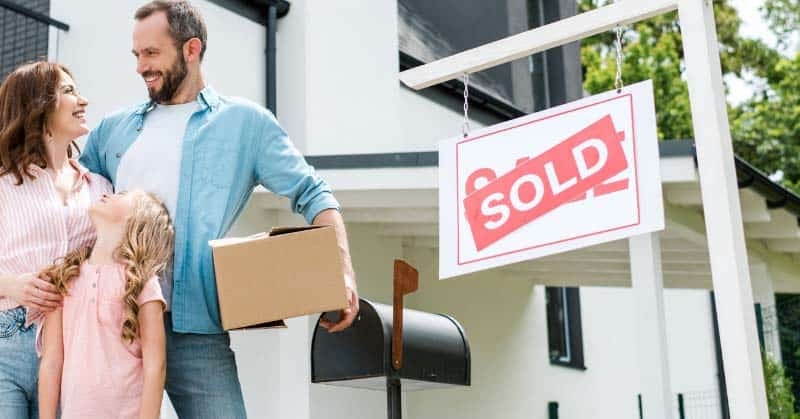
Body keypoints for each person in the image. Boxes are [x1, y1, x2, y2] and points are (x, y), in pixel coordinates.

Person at [80, 1, 360, 416]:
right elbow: (73, 205)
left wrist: (341, 269)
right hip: (112, 322)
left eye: (152, 53)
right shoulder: (112, 130)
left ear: (191, 49)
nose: (141, 67)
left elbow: (313, 192)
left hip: (194, 330)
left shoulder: (245, 124)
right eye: (137, 55)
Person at [0, 61, 112, 419]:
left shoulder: (100, 188)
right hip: (7, 342)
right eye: (68, 91)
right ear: (38, 104)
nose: (84, 100)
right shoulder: (3, 183)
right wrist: (11, 284)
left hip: (77, 351)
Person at [38, 190, 174, 419]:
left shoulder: (143, 284)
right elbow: (51, 362)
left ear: (137, 221)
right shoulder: (63, 277)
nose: (107, 194)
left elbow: (155, 366)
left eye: (121, 195)